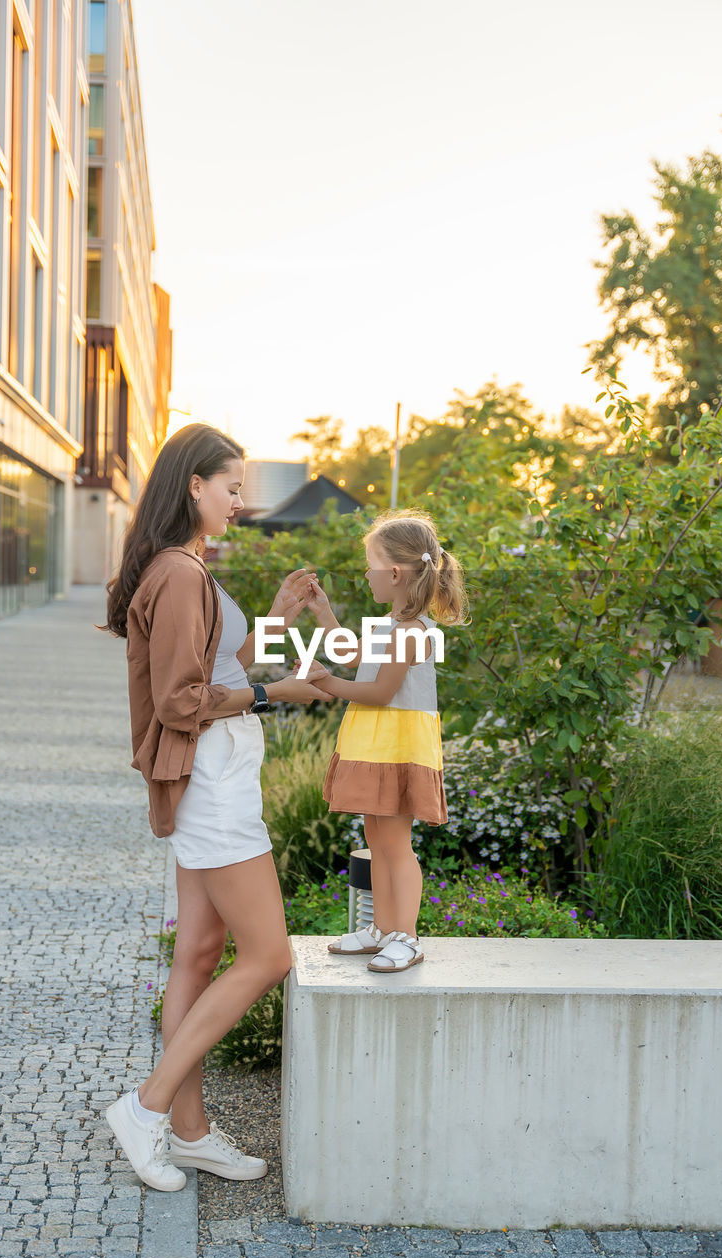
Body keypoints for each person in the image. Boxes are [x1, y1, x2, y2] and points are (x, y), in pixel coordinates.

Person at [102, 423, 330, 1192]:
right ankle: (147, 1107)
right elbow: (181, 699)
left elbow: (218, 666)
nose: (240, 501)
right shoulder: (177, 573)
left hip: (216, 778)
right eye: (231, 487)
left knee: (199, 956)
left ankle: (190, 1133)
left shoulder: (190, 569)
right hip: (215, 787)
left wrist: (279, 614)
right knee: (267, 955)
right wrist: (278, 693)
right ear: (193, 486)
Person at [299, 511, 467, 973]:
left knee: (396, 844)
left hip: (396, 748)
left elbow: (378, 692)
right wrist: (323, 612)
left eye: (370, 566)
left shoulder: (411, 633)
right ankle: (382, 930)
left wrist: (326, 682)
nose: (366, 574)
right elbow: (351, 653)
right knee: (377, 839)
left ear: (394, 573)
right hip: (376, 745)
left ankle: (406, 937)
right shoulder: (389, 624)